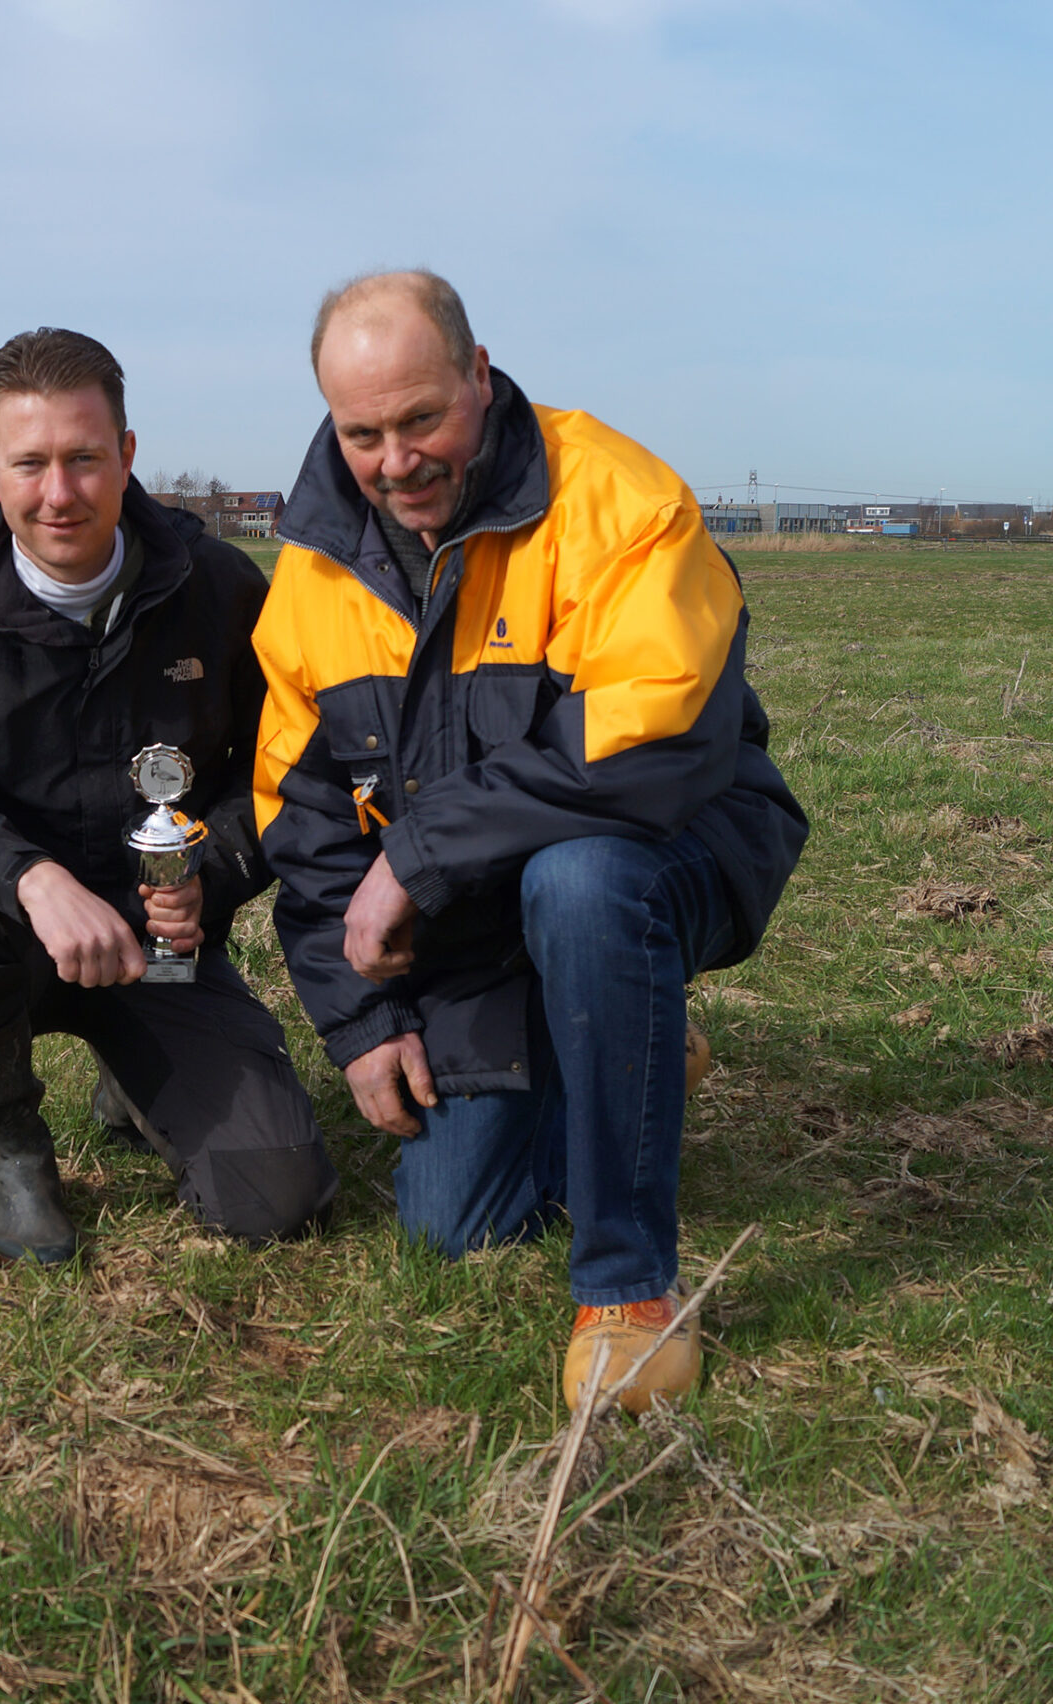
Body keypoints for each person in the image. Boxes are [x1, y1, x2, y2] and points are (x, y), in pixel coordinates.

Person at [251, 272, 807, 1409]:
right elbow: (298, 821)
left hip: (673, 843)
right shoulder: (312, 568)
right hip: (476, 913)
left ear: (479, 374)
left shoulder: (618, 498)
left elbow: (658, 743)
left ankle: (629, 1291)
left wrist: (417, 855)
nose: (397, 461)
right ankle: (633, 1048)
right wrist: (362, 1022)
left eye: (422, 419)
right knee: (455, 1225)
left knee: (584, 881)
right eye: (363, 434)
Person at [0, 327, 338, 1264]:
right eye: (30, 463)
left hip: (163, 950)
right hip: (4, 934)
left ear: (127, 455)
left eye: (83, 458)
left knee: (278, 1199)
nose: (59, 493)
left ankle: (135, 1076)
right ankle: (15, 1149)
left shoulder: (220, 588)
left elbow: (284, 771)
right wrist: (29, 877)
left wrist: (211, 871)